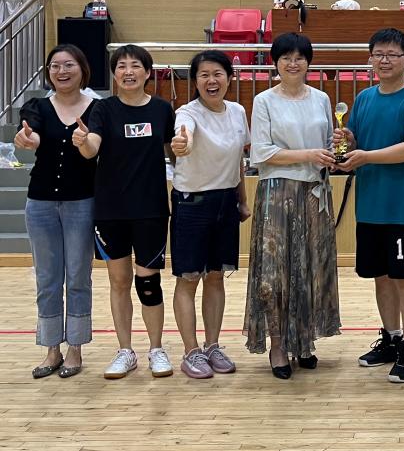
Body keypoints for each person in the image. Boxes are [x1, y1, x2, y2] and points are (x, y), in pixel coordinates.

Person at [72, 44, 176, 379]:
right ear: (114, 73)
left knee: (149, 282)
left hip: (151, 209)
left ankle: (156, 349)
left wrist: (184, 148)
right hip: (111, 210)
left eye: (135, 66)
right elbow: (93, 148)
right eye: (121, 66)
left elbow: (174, 151)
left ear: (148, 73)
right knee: (119, 281)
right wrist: (83, 141)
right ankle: (125, 351)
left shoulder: (162, 109)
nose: (128, 72)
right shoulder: (103, 109)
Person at [340, 28, 404, 384]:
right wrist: (348, 141)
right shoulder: (364, 98)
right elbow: (357, 143)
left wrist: (365, 156)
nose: (384, 60)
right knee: (381, 276)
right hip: (371, 205)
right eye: (378, 54)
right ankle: (392, 338)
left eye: (392, 54)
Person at [245, 33, 342, 380]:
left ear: (308, 63)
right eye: (286, 57)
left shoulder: (321, 98)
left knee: (310, 267)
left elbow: (329, 144)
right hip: (277, 192)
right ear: (275, 62)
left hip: (314, 192)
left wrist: (339, 144)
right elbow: (261, 152)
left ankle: (304, 341)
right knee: (276, 273)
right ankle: (277, 345)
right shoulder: (264, 100)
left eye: (300, 57)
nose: (293, 63)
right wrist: (308, 154)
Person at [16, 44, 97, 379]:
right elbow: (31, 131)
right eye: (55, 66)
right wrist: (28, 139)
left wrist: (85, 141)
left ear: (82, 69)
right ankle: (52, 349)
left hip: (82, 202)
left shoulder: (97, 108)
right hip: (40, 204)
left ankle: (75, 348)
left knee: (78, 277)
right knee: (47, 279)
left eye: (68, 65)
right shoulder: (37, 106)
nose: (61, 71)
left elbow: (97, 148)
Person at [169, 51, 251, 379]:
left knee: (216, 276)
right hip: (192, 204)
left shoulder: (238, 111)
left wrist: (242, 200)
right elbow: (183, 138)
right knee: (189, 278)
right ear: (195, 81)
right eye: (204, 75)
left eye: (218, 73)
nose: (211, 80)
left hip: (226, 203)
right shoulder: (186, 113)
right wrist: (182, 144)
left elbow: (238, 161)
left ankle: (212, 345)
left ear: (229, 78)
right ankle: (191, 351)